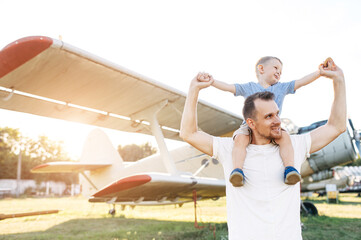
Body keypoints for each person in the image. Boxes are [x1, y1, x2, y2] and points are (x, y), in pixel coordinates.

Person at [180, 59, 346, 240]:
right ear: (250, 122)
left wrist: (339, 80)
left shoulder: (293, 146)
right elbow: (189, 133)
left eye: (277, 113)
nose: (277, 121)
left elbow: (336, 126)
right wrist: (193, 89)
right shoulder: (231, 149)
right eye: (269, 116)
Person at [198, 56, 325, 187]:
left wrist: (319, 73)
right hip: (249, 126)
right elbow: (228, 87)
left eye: (281, 72)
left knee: (285, 137)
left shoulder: (282, 87)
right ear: (261, 68)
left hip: (272, 127)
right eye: (276, 68)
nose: (279, 73)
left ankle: (290, 169)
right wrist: (212, 82)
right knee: (240, 139)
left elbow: (301, 82)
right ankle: (237, 171)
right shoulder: (249, 87)